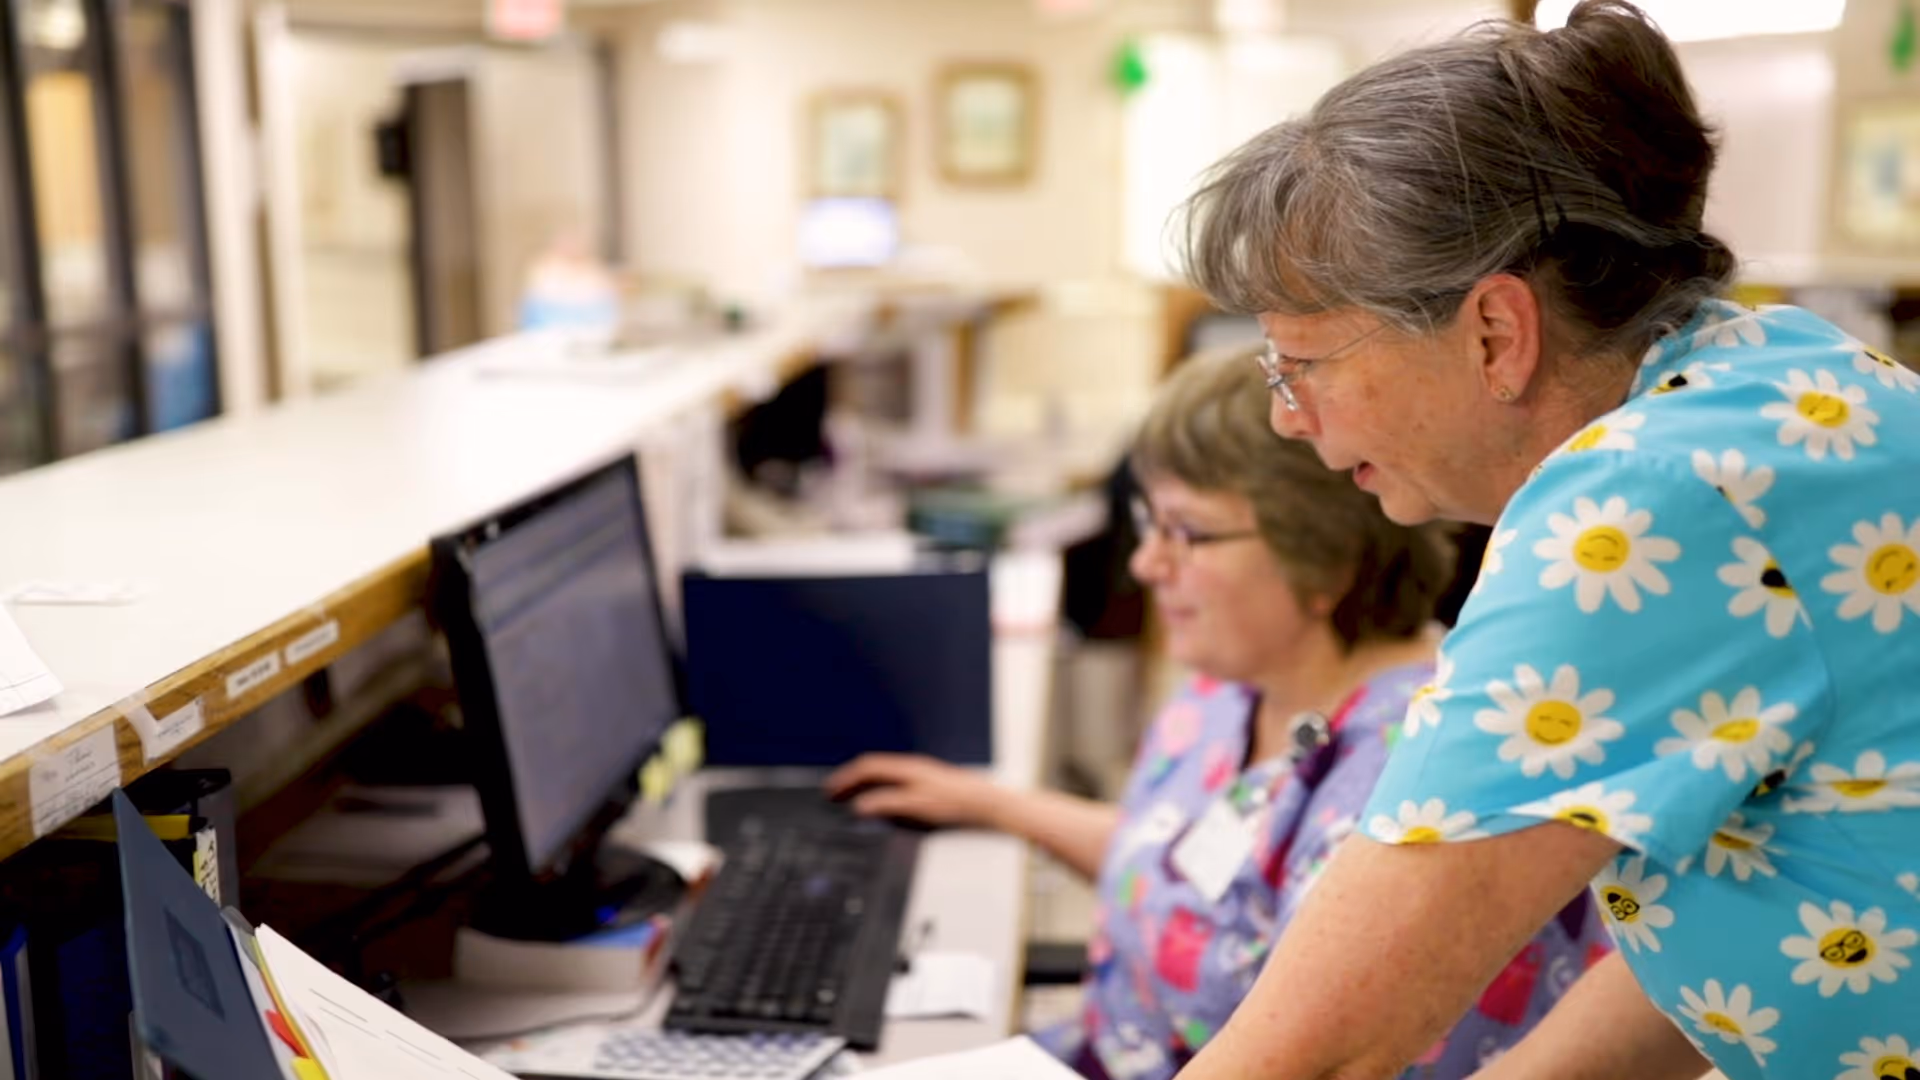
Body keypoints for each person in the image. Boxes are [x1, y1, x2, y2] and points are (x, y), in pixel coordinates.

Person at [1167, 4, 1920, 1080]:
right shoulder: (1780, 370)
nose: (1289, 416)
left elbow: (1321, 1053)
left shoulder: (1648, 502)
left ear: (1495, 334)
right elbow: (1771, 894)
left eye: (1304, 364)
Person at [826, 349, 1607, 1080]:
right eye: (1149, 525)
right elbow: (1181, 875)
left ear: (1322, 557)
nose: (1145, 565)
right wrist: (993, 805)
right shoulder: (1239, 684)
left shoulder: (1400, 783)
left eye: (1187, 533)